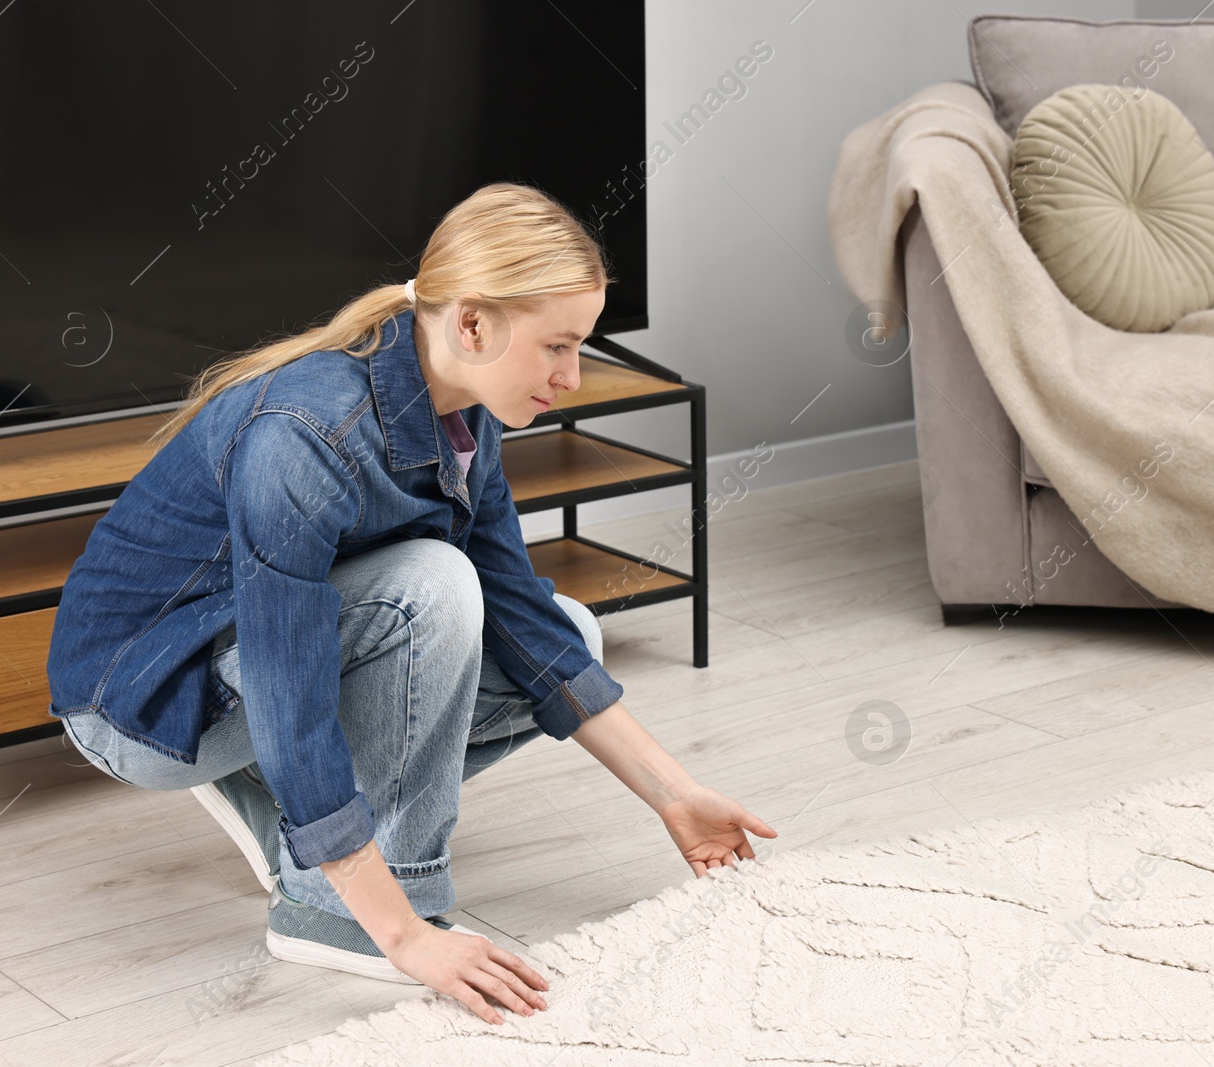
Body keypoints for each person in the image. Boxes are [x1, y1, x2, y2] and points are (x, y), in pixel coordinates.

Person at [45, 182, 777, 1027]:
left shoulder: (464, 409)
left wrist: (675, 793)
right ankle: (325, 904)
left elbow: (524, 621)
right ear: (472, 323)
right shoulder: (305, 432)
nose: (572, 378)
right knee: (432, 585)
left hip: (268, 659)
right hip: (141, 700)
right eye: (558, 347)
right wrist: (405, 935)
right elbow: (289, 678)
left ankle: (302, 823)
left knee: (570, 627)